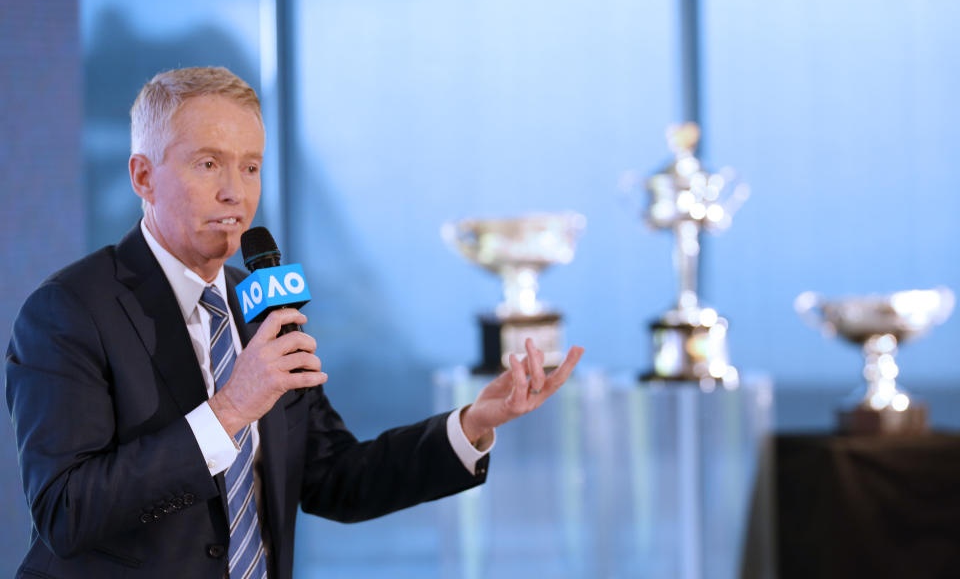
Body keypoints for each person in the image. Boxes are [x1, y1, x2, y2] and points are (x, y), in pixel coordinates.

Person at [4, 66, 584, 579]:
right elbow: (65, 512)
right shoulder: (67, 312)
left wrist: (475, 421)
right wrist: (231, 410)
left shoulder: (260, 304)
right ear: (142, 177)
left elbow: (336, 476)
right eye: (208, 164)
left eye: (250, 167)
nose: (235, 192)